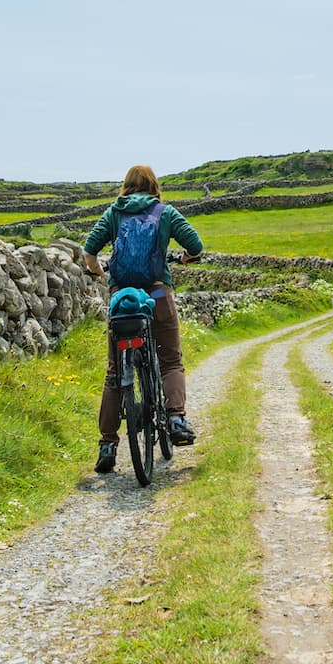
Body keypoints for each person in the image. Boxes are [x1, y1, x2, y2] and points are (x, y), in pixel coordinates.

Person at [80, 164, 204, 474]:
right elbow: (196, 245)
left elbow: (89, 251)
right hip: (158, 295)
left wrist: (98, 272)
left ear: (126, 186)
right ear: (154, 186)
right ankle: (175, 419)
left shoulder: (113, 213)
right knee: (171, 361)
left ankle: (108, 445)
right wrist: (187, 257)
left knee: (114, 372)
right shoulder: (165, 212)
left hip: (123, 299)